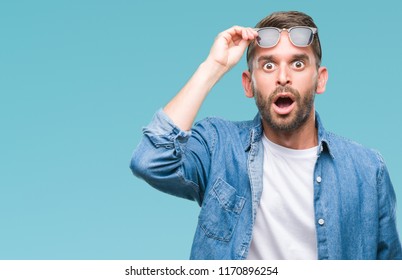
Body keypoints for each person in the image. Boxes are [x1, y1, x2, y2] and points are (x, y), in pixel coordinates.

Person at [130, 11, 402, 259]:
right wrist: (213, 67)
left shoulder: (367, 170)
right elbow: (151, 160)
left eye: (297, 64)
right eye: (268, 66)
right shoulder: (219, 146)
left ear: (320, 79)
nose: (283, 77)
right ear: (249, 84)